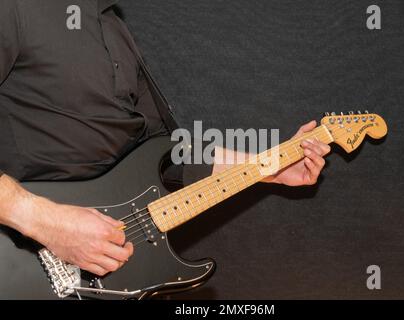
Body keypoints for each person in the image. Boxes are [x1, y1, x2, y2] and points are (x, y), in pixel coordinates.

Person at [0, 0, 330, 277]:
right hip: (19, 260)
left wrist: (273, 166)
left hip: (107, 269)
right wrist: (45, 222)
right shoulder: (16, 7)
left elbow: (166, 155)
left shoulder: (113, 25)